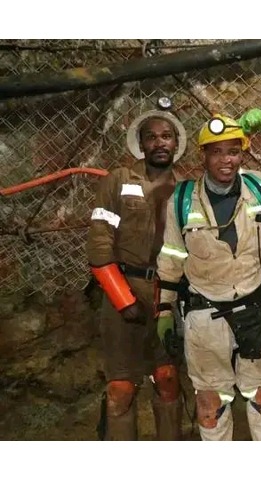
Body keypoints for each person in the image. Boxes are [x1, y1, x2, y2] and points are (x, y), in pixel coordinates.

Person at [155, 112, 261, 441]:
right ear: (204, 155)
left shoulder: (260, 189)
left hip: (255, 305)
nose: (226, 160)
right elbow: (171, 258)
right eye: (217, 152)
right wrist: (165, 309)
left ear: (242, 154)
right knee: (211, 404)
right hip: (205, 313)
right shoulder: (182, 200)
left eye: (233, 152)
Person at [87, 98, 187, 440]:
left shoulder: (186, 189)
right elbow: (100, 240)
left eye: (166, 136)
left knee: (168, 378)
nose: (159, 142)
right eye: (151, 137)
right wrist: (121, 297)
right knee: (121, 388)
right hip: (125, 286)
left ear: (176, 143)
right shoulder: (118, 180)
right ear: (141, 144)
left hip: (168, 293)